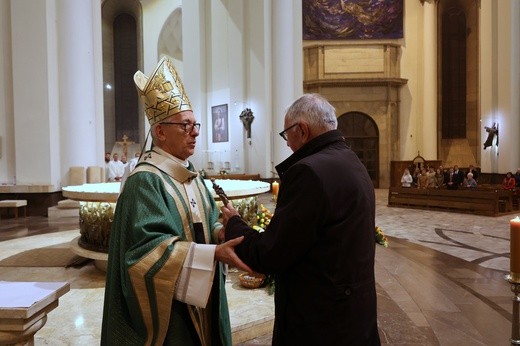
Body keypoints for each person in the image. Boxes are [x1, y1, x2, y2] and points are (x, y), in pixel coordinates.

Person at [101, 56, 250, 345]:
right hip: (171, 311)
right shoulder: (145, 181)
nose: (194, 133)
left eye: (196, 125)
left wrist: (223, 229)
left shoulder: (190, 175)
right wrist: (214, 254)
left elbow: (206, 223)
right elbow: (143, 253)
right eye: (185, 126)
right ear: (160, 131)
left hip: (201, 297)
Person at [221, 93, 380, 345]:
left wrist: (234, 223)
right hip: (352, 313)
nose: (287, 144)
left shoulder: (308, 172)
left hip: (319, 323)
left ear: (302, 130)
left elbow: (270, 254)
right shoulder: (352, 161)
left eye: (287, 135)